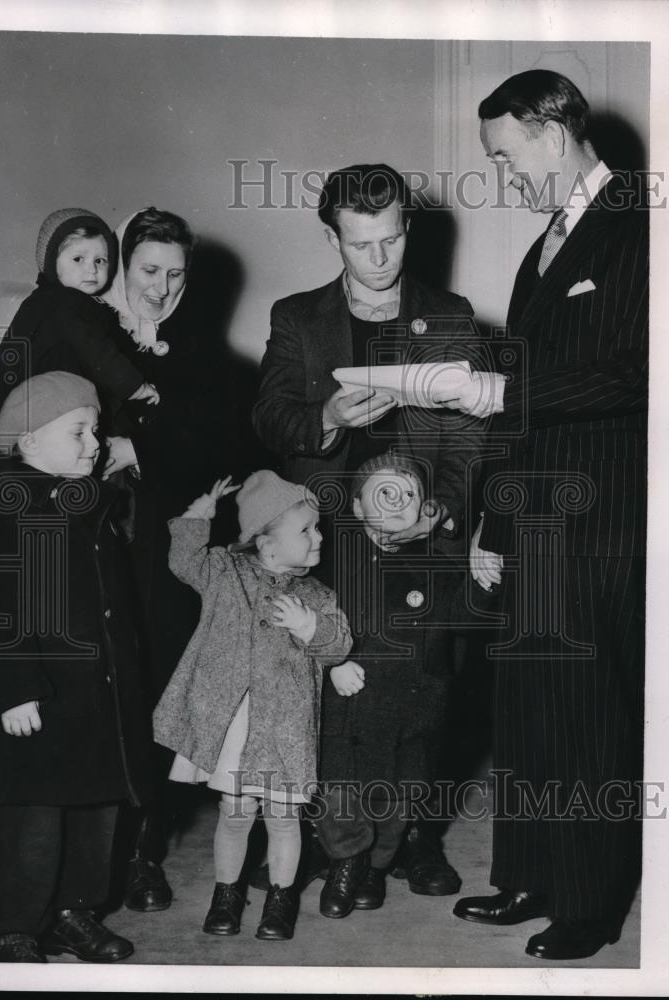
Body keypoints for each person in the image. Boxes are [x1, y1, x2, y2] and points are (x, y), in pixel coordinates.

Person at [439, 70, 648, 961]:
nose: (502, 175)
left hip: (600, 520)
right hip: (528, 520)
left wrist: (495, 387)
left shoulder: (641, 223)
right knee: (525, 706)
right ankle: (525, 874)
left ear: (552, 133)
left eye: (504, 154)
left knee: (587, 714)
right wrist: (490, 522)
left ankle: (589, 900)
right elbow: (516, 410)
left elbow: (635, 370)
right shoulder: (541, 252)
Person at [252, 163, 485, 899]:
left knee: (423, 696)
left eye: (390, 241)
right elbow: (268, 415)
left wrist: (439, 511)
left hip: (421, 539)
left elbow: (472, 436)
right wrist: (323, 418)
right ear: (332, 237)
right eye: (360, 245)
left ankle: (414, 836)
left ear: (407, 229)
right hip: (331, 540)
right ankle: (341, 840)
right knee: (336, 693)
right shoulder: (296, 317)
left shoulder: (449, 315)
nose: (379, 260)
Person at [0, 372, 153, 963]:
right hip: (36, 695)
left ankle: (75, 910)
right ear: (28, 442)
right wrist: (15, 688)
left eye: (95, 430)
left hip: (95, 693)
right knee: (32, 817)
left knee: (95, 807)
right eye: (78, 430)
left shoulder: (92, 506)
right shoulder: (5, 510)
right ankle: (13, 924)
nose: (94, 443)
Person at [100, 206, 240, 913]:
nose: (159, 287)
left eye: (174, 274)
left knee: (153, 687)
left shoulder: (202, 354)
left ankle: (141, 852)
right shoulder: (84, 332)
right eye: (147, 271)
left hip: (158, 549)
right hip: (90, 544)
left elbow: (220, 449)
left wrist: (140, 450)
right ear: (123, 268)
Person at [152, 471, 352, 940]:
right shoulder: (226, 572)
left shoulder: (318, 596)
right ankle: (226, 894)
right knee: (235, 811)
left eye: (317, 527)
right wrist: (200, 514)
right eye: (305, 530)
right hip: (234, 726)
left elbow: (339, 643)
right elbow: (184, 561)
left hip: (284, 727)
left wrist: (310, 629)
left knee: (284, 819)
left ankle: (281, 901)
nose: (318, 536)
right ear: (265, 544)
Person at [316, 450, 494, 918]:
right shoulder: (333, 562)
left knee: (398, 798)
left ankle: (376, 866)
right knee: (341, 795)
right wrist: (330, 659)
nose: (399, 502)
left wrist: (485, 562)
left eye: (411, 494)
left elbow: (468, 614)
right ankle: (345, 864)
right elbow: (304, 619)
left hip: (413, 709)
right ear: (356, 508)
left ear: (425, 509)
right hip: (347, 708)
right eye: (385, 492)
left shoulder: (433, 565)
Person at [0, 207, 159, 461]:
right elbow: (97, 351)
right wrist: (135, 387)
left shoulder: (50, 300)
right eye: (78, 259)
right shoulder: (66, 300)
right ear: (51, 261)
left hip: (35, 408)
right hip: (49, 407)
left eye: (100, 260)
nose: (92, 270)